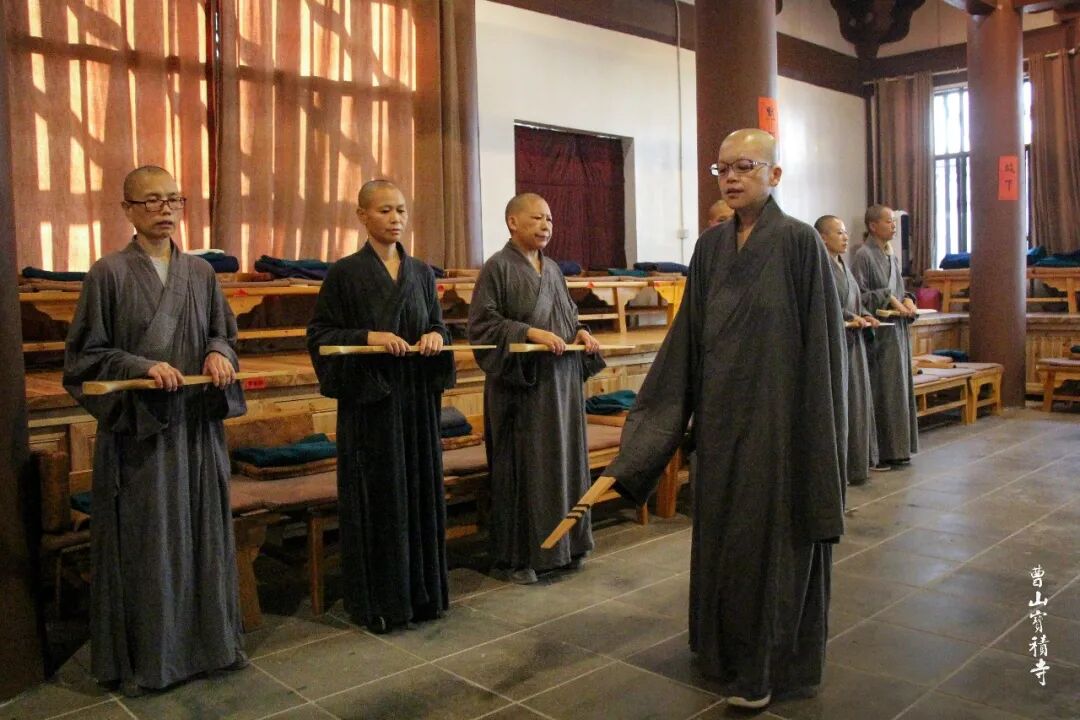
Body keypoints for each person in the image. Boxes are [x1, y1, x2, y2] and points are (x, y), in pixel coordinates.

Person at [603, 130, 846, 709]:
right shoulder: (710, 249)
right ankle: (722, 652)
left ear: (774, 175)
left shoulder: (798, 244)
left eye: (745, 167)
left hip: (780, 425)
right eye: (722, 169)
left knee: (770, 543)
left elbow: (822, 348)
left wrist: (820, 437)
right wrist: (647, 443)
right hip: (721, 424)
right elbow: (684, 345)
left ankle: (764, 667)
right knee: (723, 539)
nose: (731, 178)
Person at [64, 165, 246, 696]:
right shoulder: (109, 273)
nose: (165, 210)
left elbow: (223, 332)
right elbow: (85, 358)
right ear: (127, 209)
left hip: (194, 429)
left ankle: (211, 647)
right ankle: (154, 659)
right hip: (143, 436)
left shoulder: (201, 273)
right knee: (151, 545)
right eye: (151, 201)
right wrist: (139, 367)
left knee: (204, 535)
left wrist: (218, 352)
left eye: (174, 200)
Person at [307, 179, 454, 633]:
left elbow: (438, 327)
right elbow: (321, 337)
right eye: (386, 210)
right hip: (371, 405)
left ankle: (424, 596)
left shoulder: (422, 273)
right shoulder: (345, 274)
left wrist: (435, 337)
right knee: (380, 497)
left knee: (419, 492)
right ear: (362, 215)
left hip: (415, 403)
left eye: (402, 211)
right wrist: (369, 338)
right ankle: (380, 601)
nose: (395, 219)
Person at [468, 193, 604, 585]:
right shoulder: (497, 268)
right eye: (537, 218)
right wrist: (528, 332)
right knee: (525, 469)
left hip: (561, 387)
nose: (546, 225)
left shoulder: (555, 270)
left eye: (550, 219)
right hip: (522, 388)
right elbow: (480, 327)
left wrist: (581, 332)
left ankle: (570, 545)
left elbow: (568, 315)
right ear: (512, 222)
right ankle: (520, 558)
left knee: (566, 465)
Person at [815, 214, 883, 485]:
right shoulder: (821, 266)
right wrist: (847, 317)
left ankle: (859, 463)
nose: (845, 237)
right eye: (839, 232)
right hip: (837, 344)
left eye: (845, 233)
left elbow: (855, 299)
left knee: (857, 403)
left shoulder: (843, 264)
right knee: (843, 406)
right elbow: (826, 301)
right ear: (822, 237)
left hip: (854, 343)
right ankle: (843, 468)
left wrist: (865, 316)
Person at [852, 204, 918, 468]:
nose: (893, 226)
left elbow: (900, 290)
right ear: (872, 226)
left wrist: (908, 301)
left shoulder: (892, 256)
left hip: (897, 334)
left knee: (899, 390)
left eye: (894, 222)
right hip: (879, 334)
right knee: (883, 391)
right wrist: (887, 298)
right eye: (888, 221)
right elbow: (858, 296)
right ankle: (881, 451)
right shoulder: (863, 256)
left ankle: (899, 448)